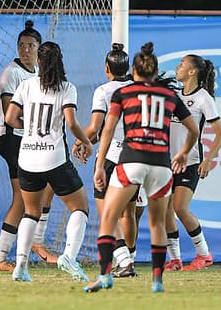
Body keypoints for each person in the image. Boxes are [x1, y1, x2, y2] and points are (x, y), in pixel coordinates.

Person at [85, 42, 200, 294]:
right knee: (157, 222)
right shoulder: (170, 95)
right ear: (155, 72)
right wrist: (182, 153)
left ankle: (106, 275)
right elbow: (194, 129)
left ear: (134, 72)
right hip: (161, 165)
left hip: (131, 160)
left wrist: (100, 166)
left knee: (108, 216)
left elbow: (106, 131)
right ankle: (157, 281)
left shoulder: (122, 94)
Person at [4, 41, 93, 282]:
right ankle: (69, 257)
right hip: (53, 158)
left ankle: (20, 267)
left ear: (39, 62)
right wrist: (87, 142)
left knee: (31, 212)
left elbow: (10, 117)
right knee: (80, 207)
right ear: (60, 61)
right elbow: (72, 123)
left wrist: (30, 129)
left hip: (28, 157)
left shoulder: (26, 85)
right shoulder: (67, 88)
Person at [0, 21, 59, 270]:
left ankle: (31, 244)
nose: (25, 50)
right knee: (25, 197)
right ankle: (4, 256)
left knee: (46, 187)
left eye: (30, 46)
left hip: (29, 140)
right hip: (12, 139)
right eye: (21, 45)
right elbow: (11, 114)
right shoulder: (12, 73)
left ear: (39, 50)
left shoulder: (40, 75)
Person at [78, 43, 138, 278]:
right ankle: (130, 258)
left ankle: (124, 262)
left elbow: (94, 128)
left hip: (112, 156)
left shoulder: (103, 91)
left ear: (106, 68)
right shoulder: (139, 89)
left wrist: (80, 141)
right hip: (136, 157)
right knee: (128, 213)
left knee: (108, 212)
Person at [163, 54, 221, 271]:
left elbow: (219, 133)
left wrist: (208, 159)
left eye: (181, 65)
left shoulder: (203, 98)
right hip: (167, 162)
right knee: (166, 212)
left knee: (179, 207)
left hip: (190, 162)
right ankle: (175, 259)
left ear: (192, 71)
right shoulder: (174, 93)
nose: (177, 68)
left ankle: (204, 255)